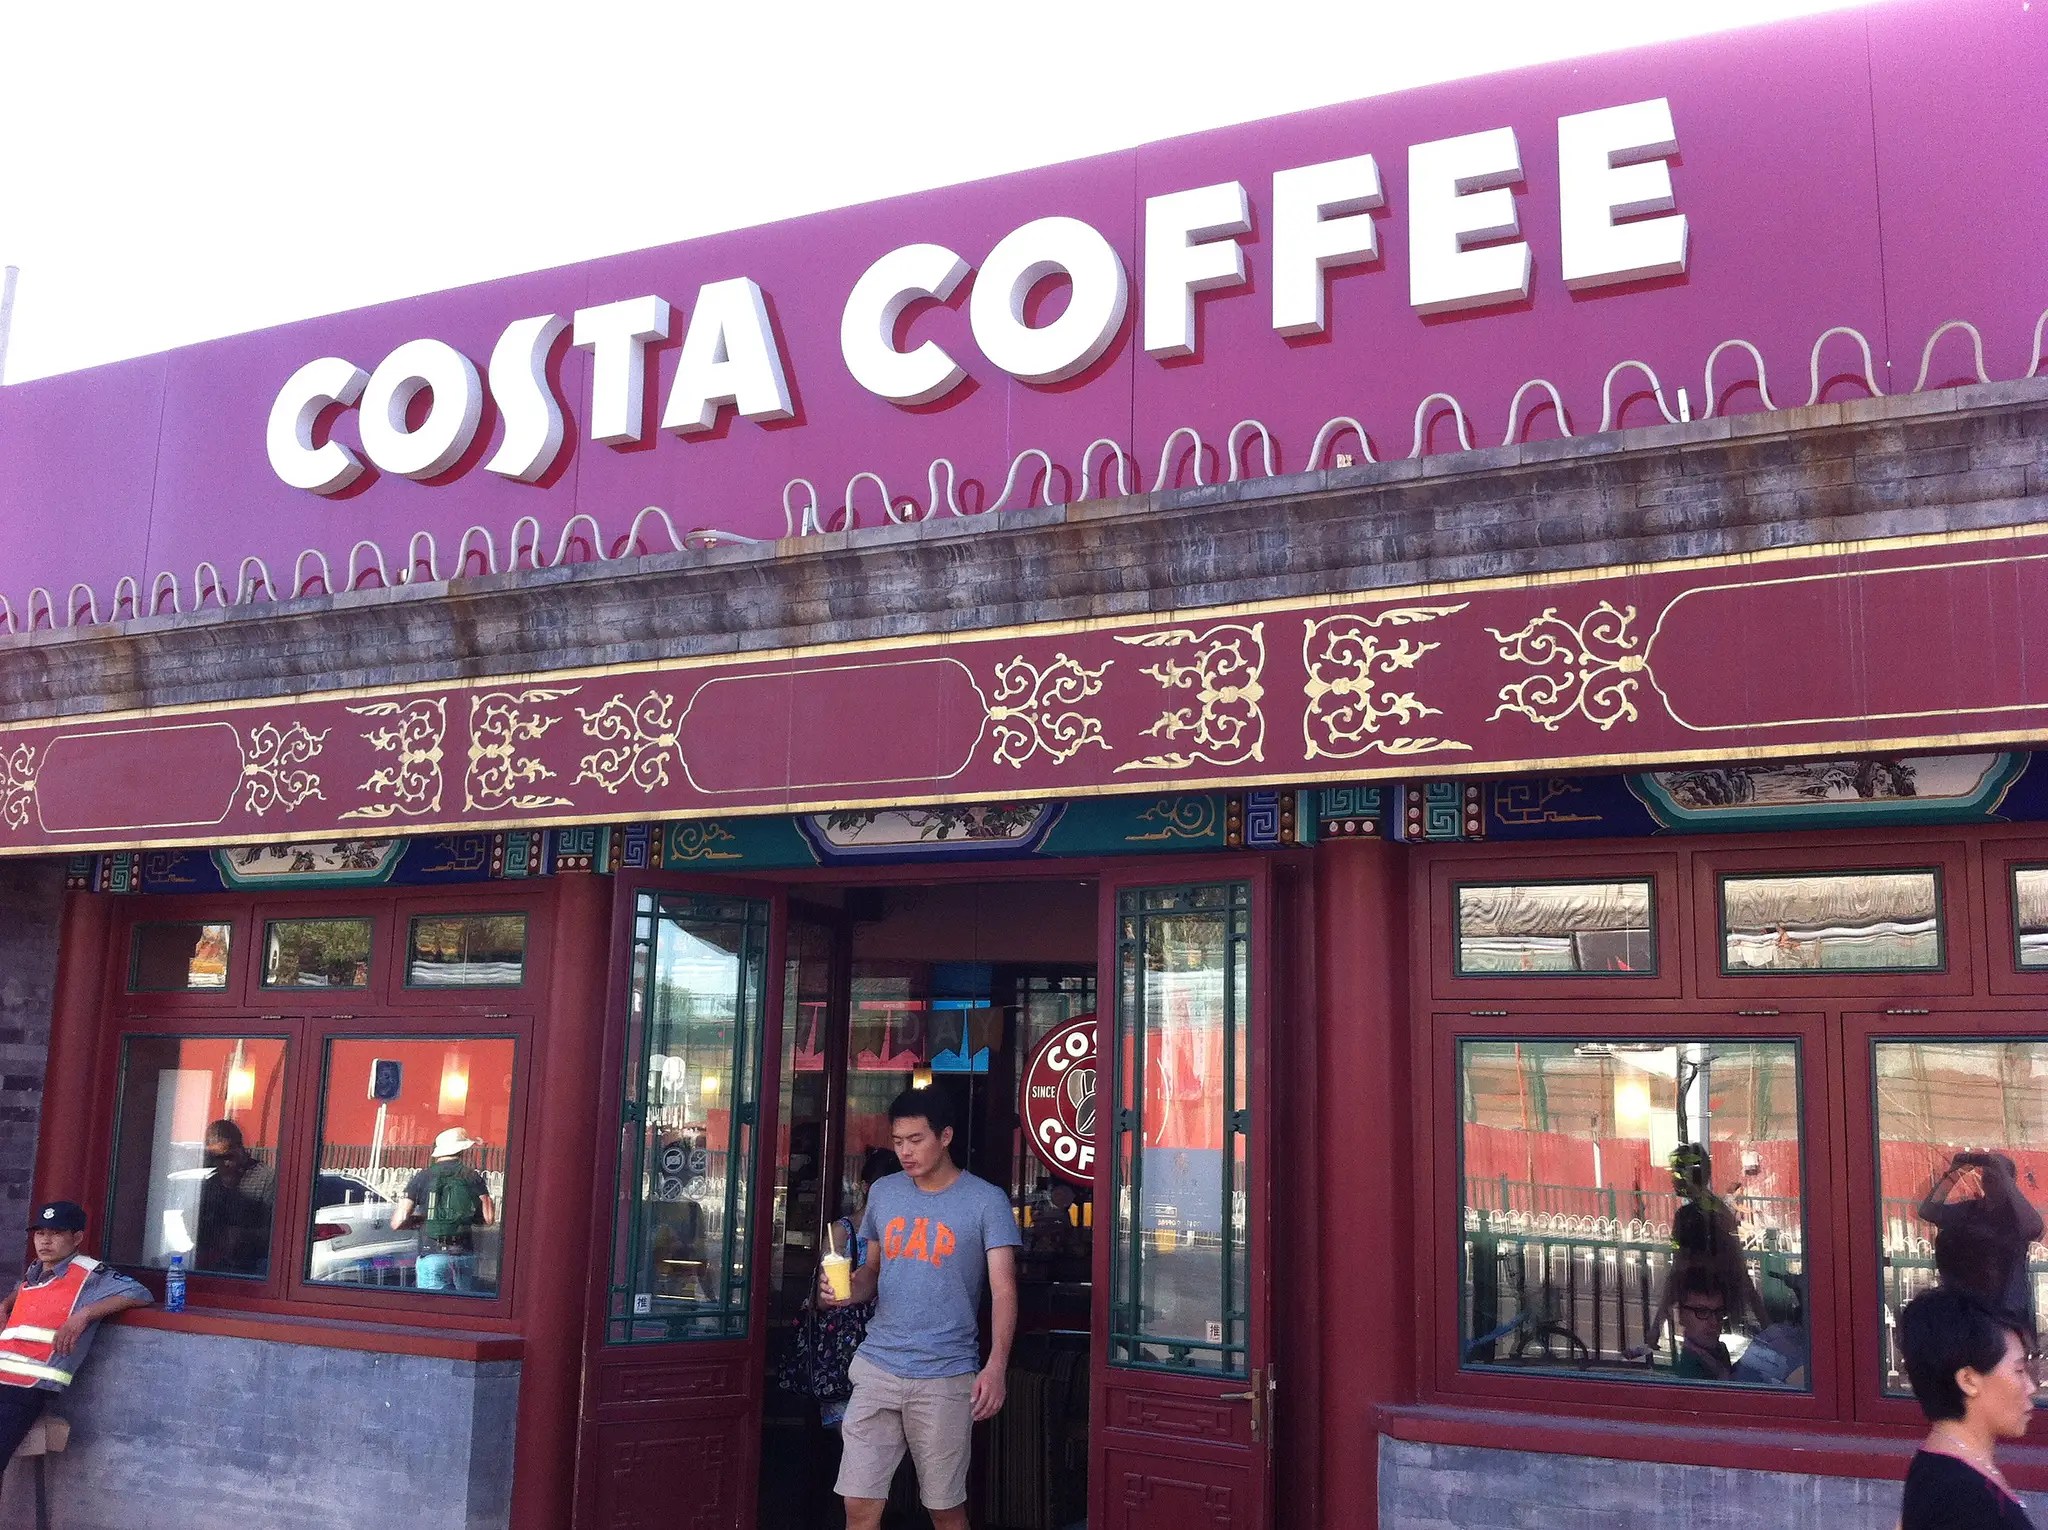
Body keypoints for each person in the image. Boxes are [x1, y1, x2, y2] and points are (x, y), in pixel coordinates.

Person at [821, 1088, 1021, 1530]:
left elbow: (1004, 1291)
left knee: (944, 1508)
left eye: (916, 1139)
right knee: (858, 1505)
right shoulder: (885, 1192)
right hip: (878, 1365)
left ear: (945, 1136)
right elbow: (872, 1271)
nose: (905, 1152)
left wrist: (996, 1367)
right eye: (898, 1141)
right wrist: (847, 1291)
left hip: (945, 1373)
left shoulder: (985, 1201)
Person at [0, 1202, 151, 1480]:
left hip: (28, 1388)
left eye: (56, 1233)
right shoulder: (37, 1269)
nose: (45, 1241)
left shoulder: (89, 1274)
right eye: (40, 1233)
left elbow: (140, 1293)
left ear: (77, 1237)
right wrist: (6, 1303)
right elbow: (29, 1291)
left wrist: (85, 1315)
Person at [1897, 1285, 2037, 1529]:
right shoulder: (1961, 1498)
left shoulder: (1944, 1467)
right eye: (2019, 1370)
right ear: (1969, 1380)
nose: (2031, 1387)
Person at [1921, 1151, 2044, 1332]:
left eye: (1996, 1176)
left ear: (2009, 1181)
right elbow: (1928, 1211)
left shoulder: (2016, 1216)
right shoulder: (1970, 1210)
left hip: (2009, 1309)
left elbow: (2035, 1228)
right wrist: (1955, 1173)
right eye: (1986, 1176)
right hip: (1973, 1306)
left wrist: (2004, 1176)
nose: (1989, 1180)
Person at [394, 1128, 496, 1293]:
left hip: (432, 1253)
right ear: (462, 1150)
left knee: (432, 1305)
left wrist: (418, 1221)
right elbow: (489, 1218)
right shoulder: (472, 1176)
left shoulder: (423, 1177)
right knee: (464, 1304)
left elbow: (398, 1221)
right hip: (463, 1254)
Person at [194, 1118, 276, 1276]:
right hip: (211, 1264)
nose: (223, 1164)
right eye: (216, 1158)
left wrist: (243, 1235)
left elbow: (276, 1233)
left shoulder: (265, 1178)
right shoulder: (211, 1182)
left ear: (240, 1149)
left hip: (253, 1265)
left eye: (228, 1157)